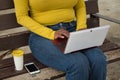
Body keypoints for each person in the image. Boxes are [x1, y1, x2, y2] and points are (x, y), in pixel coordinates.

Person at [14, 0, 107, 80]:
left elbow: (80, 6)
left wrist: (81, 27)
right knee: (78, 64)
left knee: (98, 59)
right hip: (42, 34)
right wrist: (51, 33)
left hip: (72, 29)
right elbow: (21, 17)